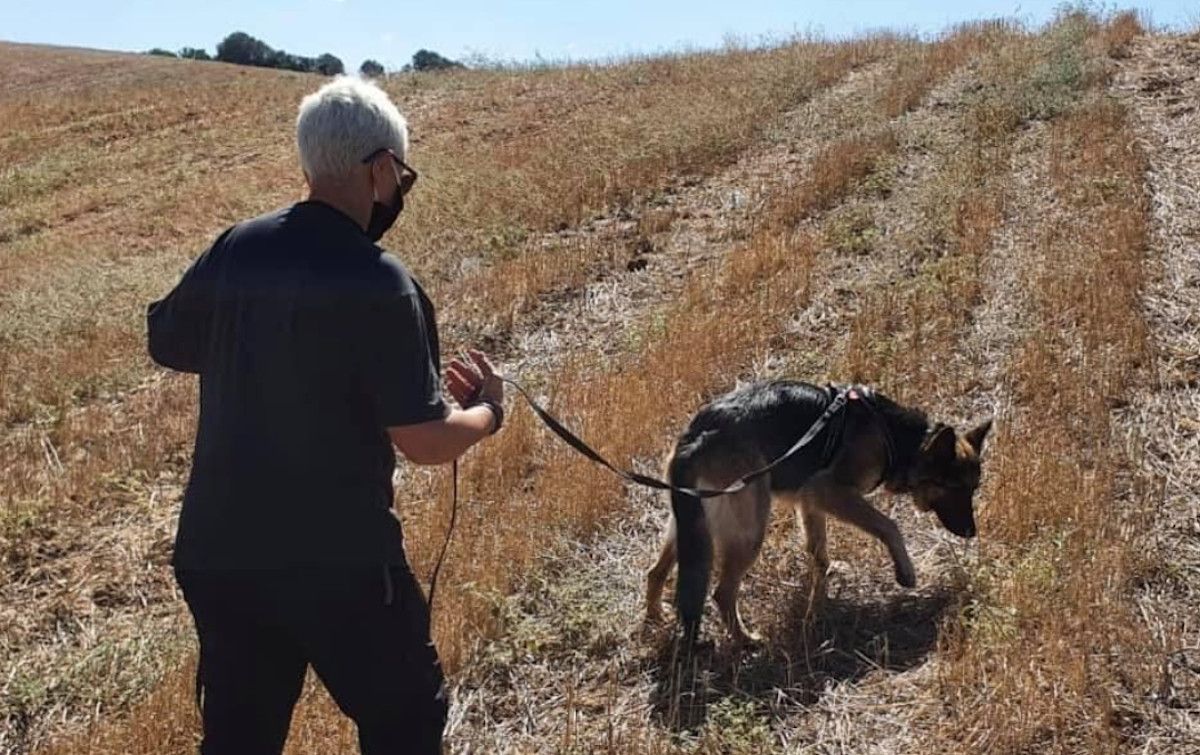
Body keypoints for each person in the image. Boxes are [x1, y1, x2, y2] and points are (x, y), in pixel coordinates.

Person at [146, 75, 504, 754]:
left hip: (217, 552)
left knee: (240, 735)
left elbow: (167, 340)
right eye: (400, 175)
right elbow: (425, 441)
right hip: (338, 560)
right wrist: (488, 410)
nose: (399, 189)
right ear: (377, 169)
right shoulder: (379, 278)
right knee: (406, 720)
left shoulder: (235, 248)